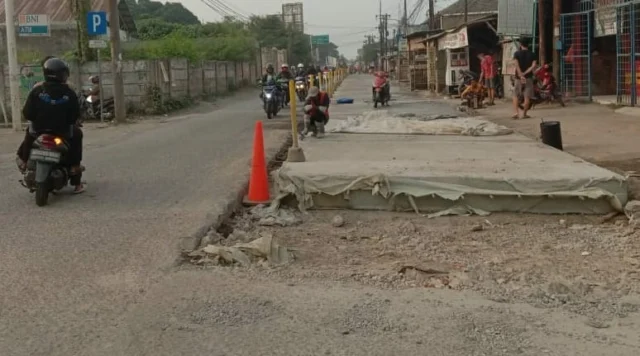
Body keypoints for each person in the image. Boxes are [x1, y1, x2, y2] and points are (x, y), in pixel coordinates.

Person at [16, 58, 84, 193]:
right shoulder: (69, 93)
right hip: (62, 133)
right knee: (77, 135)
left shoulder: (37, 91)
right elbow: (74, 116)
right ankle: (74, 171)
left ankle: (23, 160)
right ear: (63, 74)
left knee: (29, 132)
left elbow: (27, 113)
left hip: (39, 132)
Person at [512, 39, 537, 119]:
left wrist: (520, 75)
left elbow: (516, 65)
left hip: (518, 78)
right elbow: (533, 66)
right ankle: (524, 114)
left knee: (515, 95)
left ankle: (516, 113)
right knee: (527, 97)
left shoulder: (516, 53)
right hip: (528, 78)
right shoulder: (533, 54)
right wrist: (525, 73)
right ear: (528, 45)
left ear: (521, 45)